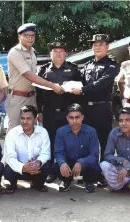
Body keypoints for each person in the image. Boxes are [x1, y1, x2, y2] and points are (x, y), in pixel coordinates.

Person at [71, 34, 119, 187]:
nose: (97, 47)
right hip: (86, 108)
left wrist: (82, 90)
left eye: (101, 44)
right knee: (85, 141)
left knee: (104, 141)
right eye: (95, 44)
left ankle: (103, 174)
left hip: (102, 107)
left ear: (107, 46)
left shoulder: (111, 65)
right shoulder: (88, 64)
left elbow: (101, 83)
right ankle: (87, 172)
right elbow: (78, 81)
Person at [36, 42, 83, 183]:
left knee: (69, 141)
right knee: (49, 141)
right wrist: (39, 111)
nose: (58, 53)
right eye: (55, 51)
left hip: (68, 113)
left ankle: (70, 171)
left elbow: (81, 91)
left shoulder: (73, 69)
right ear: (50, 54)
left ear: (66, 54)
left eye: (61, 51)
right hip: (49, 111)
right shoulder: (43, 70)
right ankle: (51, 171)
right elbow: (38, 93)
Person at [6, 23, 64, 131]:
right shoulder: (15, 52)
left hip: (32, 97)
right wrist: (51, 85)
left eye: (32, 36)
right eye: (26, 35)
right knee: (15, 130)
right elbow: (28, 74)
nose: (30, 38)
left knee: (31, 130)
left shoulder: (32, 52)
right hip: (17, 98)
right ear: (19, 37)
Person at [53, 103, 101, 193]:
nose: (74, 121)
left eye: (77, 117)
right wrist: (62, 163)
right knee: (56, 167)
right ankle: (67, 180)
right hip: (69, 164)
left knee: (96, 168)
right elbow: (58, 152)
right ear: (67, 118)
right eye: (71, 118)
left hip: (85, 165)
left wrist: (81, 162)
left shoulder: (91, 131)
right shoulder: (60, 132)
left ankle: (88, 182)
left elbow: (94, 155)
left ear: (82, 117)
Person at [4, 105, 51, 193]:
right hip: (19, 170)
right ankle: (13, 185)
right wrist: (24, 167)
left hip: (36, 169)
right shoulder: (12, 133)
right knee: (7, 170)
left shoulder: (43, 132)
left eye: (28, 118)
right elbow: (10, 157)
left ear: (35, 119)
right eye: (22, 118)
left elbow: (46, 153)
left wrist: (38, 162)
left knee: (47, 165)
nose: (24, 121)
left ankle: (38, 184)